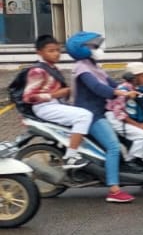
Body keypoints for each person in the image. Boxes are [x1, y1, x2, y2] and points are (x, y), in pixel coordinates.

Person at [66, 31, 135, 203]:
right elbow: (97, 87)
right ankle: (114, 190)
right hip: (91, 115)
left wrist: (129, 89)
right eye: (93, 46)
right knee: (113, 147)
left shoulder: (93, 65)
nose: (97, 49)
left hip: (101, 111)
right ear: (81, 48)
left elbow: (110, 83)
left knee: (127, 135)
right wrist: (118, 93)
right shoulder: (82, 68)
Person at [22, 35, 93, 169]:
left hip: (55, 105)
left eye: (58, 50)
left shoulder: (53, 68)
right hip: (44, 107)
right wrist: (55, 94)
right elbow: (28, 97)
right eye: (51, 51)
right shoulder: (37, 70)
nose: (56, 54)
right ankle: (71, 157)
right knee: (84, 116)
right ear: (39, 52)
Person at [105, 62, 143, 163]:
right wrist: (138, 125)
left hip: (124, 117)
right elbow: (119, 113)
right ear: (134, 78)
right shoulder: (124, 90)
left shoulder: (135, 88)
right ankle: (132, 160)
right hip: (115, 119)